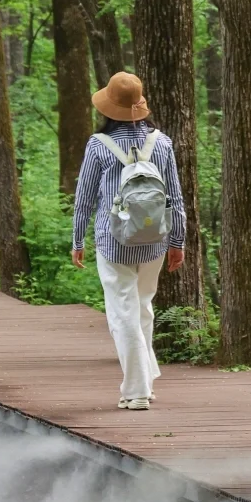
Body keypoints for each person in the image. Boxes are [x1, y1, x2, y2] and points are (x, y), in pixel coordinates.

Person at [71, 72, 186, 412]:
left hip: (114, 242)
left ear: (109, 107)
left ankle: (136, 391)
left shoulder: (99, 145)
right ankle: (146, 381)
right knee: (143, 306)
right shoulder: (161, 143)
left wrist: (78, 239)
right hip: (155, 241)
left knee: (123, 312)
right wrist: (177, 241)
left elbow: (85, 199)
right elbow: (175, 199)